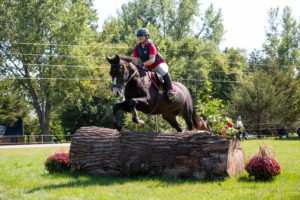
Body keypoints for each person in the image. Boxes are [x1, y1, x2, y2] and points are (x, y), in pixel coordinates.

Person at [132, 28, 176, 102]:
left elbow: (152, 60)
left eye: (141, 36)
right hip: (147, 67)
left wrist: (142, 64)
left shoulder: (151, 45)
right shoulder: (136, 48)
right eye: (138, 36)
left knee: (164, 71)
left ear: (146, 37)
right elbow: (135, 62)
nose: (139, 37)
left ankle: (170, 91)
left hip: (158, 64)